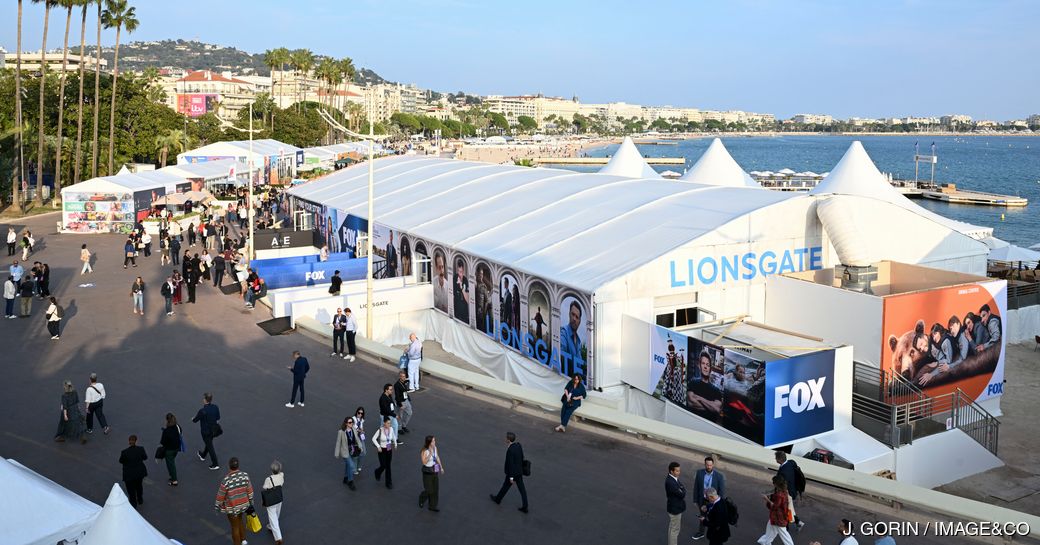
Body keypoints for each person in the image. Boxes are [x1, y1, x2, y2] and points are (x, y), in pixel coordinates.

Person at [215, 457, 254, 545]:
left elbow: (220, 495)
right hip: (244, 505)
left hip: (232, 507)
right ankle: (243, 540)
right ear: (238, 466)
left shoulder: (226, 480)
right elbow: (250, 491)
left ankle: (237, 543)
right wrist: (251, 502)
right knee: (240, 520)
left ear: (229, 466)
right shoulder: (245, 476)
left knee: (234, 527)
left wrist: (217, 506)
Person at [489, 431, 528, 513]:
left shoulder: (510, 450)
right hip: (519, 472)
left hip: (513, 473)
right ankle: (525, 506)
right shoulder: (518, 445)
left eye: (506, 438)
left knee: (506, 486)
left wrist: (511, 477)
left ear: (508, 440)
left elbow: (510, 464)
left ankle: (498, 499)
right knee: (522, 490)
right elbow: (521, 457)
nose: (505, 439)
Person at [692, 456, 727, 539]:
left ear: (713, 465)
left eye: (710, 465)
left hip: (713, 501)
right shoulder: (699, 473)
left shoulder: (719, 476)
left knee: (714, 518)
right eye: (707, 465)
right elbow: (696, 487)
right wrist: (695, 500)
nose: (709, 467)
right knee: (702, 516)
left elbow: (721, 491)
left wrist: (720, 503)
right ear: (705, 464)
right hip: (702, 500)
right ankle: (701, 532)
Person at [757, 475, 794, 545]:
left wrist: (767, 499)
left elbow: (775, 506)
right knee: (770, 531)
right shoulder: (784, 491)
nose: (772, 483)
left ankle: (765, 541)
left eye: (773, 482)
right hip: (779, 517)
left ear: (776, 484)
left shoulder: (779, 494)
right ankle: (765, 542)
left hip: (778, 518)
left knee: (784, 534)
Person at [687, 350, 724, 421]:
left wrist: (700, 398)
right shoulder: (693, 382)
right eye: (703, 363)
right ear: (699, 366)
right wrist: (711, 406)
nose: (705, 367)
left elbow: (717, 409)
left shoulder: (716, 390)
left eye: (708, 365)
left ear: (710, 368)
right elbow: (690, 403)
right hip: (691, 420)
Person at [775, 451, 804, 531]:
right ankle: (798, 522)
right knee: (789, 509)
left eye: (776, 458)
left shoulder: (784, 472)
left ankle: (785, 529)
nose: (775, 459)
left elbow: (782, 485)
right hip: (793, 491)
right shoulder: (791, 463)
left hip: (788, 494)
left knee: (785, 511)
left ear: (780, 459)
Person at [192, 393, 221, 470]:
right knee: (209, 443)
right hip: (213, 430)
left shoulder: (202, 411)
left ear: (205, 400)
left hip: (205, 432)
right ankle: (203, 455)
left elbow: (195, 420)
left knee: (210, 447)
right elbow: (218, 419)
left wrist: (192, 419)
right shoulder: (215, 407)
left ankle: (215, 464)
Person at [118, 435, 149, 508]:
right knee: (139, 486)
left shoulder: (124, 452)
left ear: (129, 441)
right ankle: (140, 499)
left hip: (129, 474)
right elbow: (145, 457)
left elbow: (121, 461)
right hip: (139, 473)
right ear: (136, 441)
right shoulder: (141, 449)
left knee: (131, 490)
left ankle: (133, 504)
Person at [55, 380, 88, 444]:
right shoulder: (75, 392)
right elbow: (77, 401)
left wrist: (65, 415)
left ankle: (60, 436)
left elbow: (65, 407)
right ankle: (82, 436)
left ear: (65, 387)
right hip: (75, 409)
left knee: (63, 423)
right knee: (78, 422)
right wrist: (78, 409)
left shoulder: (64, 396)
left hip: (69, 411)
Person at [335, 416, 361, 490]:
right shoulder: (341, 432)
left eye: (352, 422)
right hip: (345, 451)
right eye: (350, 422)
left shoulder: (353, 429)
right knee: (351, 465)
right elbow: (338, 443)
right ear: (346, 423)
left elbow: (357, 438)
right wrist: (337, 453)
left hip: (352, 450)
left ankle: (345, 478)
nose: (351, 423)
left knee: (348, 465)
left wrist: (360, 446)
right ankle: (350, 481)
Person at [419, 435, 444, 512]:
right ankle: (421, 498)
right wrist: (430, 453)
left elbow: (437, 457)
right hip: (427, 472)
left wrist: (441, 467)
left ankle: (432, 506)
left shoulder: (435, 448)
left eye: (434, 440)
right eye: (433, 441)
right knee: (429, 490)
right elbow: (424, 462)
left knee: (435, 489)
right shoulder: (424, 451)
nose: (434, 442)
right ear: (429, 442)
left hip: (434, 470)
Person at [559, 300, 585, 376]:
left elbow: (579, 365)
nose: (574, 318)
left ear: (579, 321)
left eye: (577, 317)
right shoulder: (563, 332)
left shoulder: (579, 341)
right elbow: (562, 358)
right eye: (573, 314)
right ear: (569, 314)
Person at [263, 461, 285, 545]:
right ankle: (270, 526)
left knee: (273, 517)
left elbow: (265, 487)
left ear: (271, 470)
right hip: (279, 497)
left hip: (271, 500)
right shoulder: (281, 475)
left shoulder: (269, 479)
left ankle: (278, 538)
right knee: (277, 513)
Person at [373, 416, 398, 489]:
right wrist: (378, 446)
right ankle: (377, 472)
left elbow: (393, 437)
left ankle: (388, 482)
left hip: (389, 449)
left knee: (388, 466)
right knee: (383, 465)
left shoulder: (391, 429)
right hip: (382, 450)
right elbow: (373, 439)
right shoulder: (380, 430)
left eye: (390, 423)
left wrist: (395, 444)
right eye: (388, 423)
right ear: (384, 423)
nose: (389, 425)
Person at [665, 461, 686, 545]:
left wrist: (682, 489)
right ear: (671, 471)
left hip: (673, 507)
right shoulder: (671, 482)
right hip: (675, 509)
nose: (679, 472)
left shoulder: (673, 479)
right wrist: (682, 489)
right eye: (677, 471)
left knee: (672, 528)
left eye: (679, 470)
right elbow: (682, 494)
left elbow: (682, 488)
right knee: (675, 530)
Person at [160, 413, 182, 486]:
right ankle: (172, 476)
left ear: (167, 420)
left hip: (169, 450)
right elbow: (180, 433)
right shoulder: (178, 426)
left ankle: (174, 480)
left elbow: (163, 442)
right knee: (171, 462)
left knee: (171, 464)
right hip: (177, 448)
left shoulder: (166, 431)